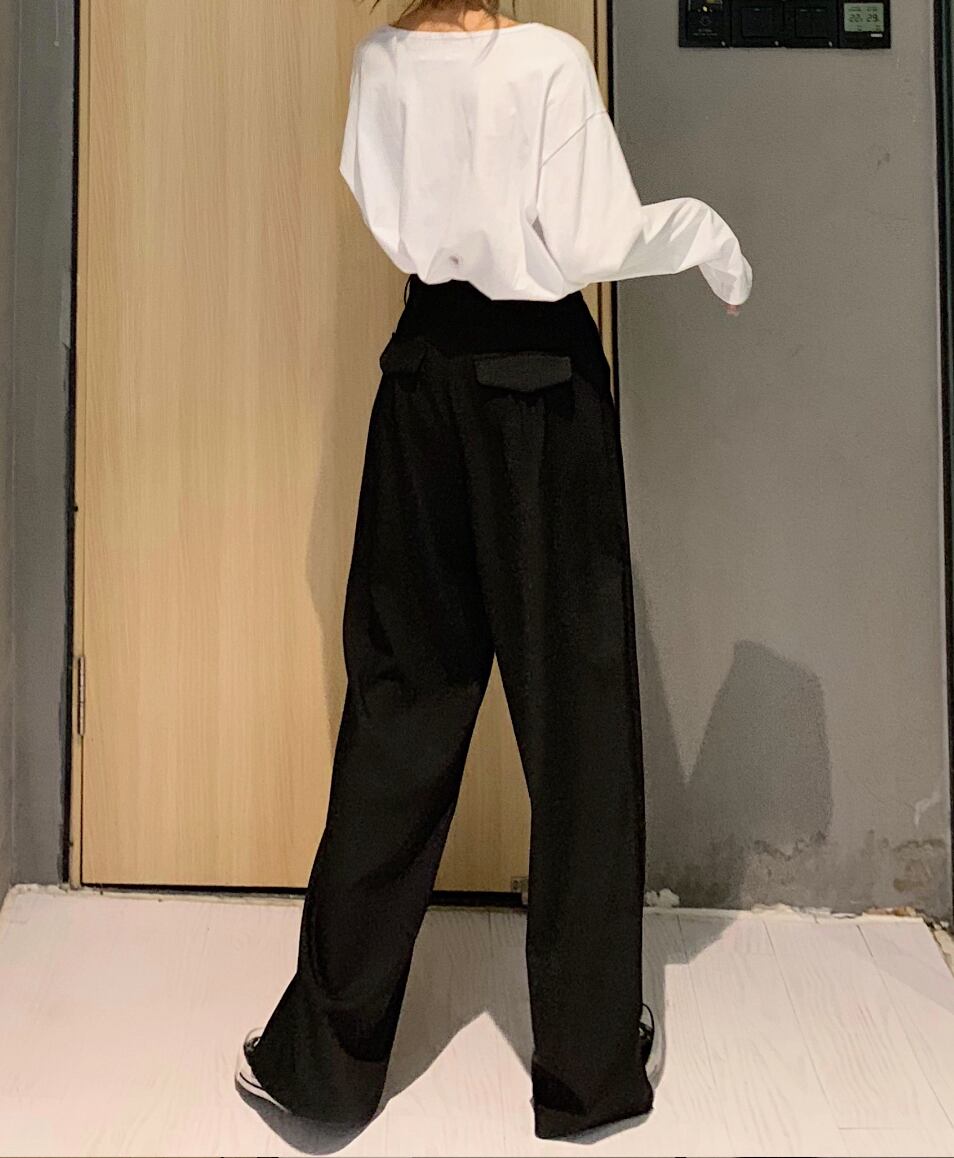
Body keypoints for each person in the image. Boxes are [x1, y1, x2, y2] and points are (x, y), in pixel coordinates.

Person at [235, 0, 753, 1143]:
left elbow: (383, 203)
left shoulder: (380, 62)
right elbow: (593, 239)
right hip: (539, 390)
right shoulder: (547, 61)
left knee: (398, 707)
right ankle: (586, 1070)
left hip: (421, 380)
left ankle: (320, 1065)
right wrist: (709, 234)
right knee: (577, 723)